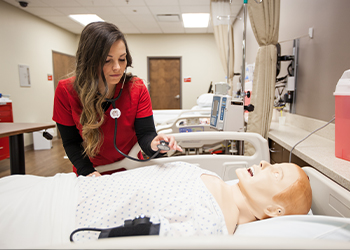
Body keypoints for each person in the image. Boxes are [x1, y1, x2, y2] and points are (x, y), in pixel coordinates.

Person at [0, 161, 312, 248]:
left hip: (58, 220)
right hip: (64, 188)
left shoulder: (211, 228)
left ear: (274, 210)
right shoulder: (213, 177)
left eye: (275, 173)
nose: (263, 162)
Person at [52, 21, 182, 177]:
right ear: (89, 61)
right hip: (91, 172)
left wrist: (155, 144)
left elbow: (146, 134)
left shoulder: (137, 88)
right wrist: (89, 172)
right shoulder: (66, 91)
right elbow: (71, 142)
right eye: (107, 60)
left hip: (131, 169)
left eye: (122, 59)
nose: (117, 68)